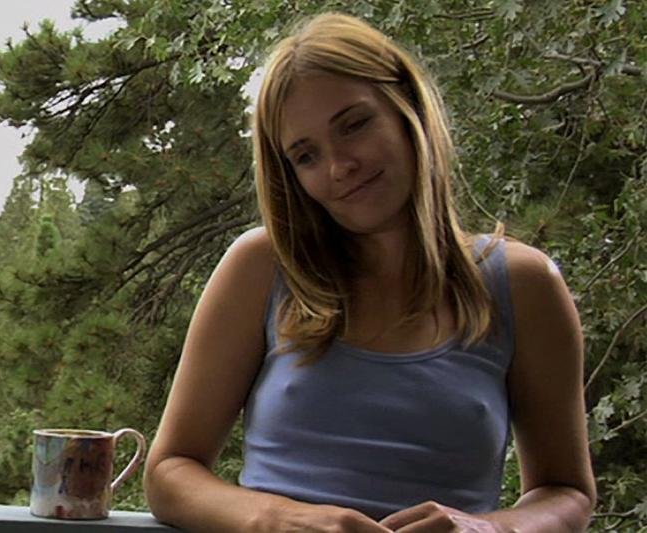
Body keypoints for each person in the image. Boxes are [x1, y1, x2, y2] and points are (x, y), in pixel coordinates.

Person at [143, 12, 596, 533]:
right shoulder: (263, 267)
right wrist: (276, 519)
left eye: (354, 125)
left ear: (408, 109)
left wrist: (489, 529)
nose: (340, 167)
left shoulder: (524, 284)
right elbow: (169, 471)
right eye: (306, 156)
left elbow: (567, 492)